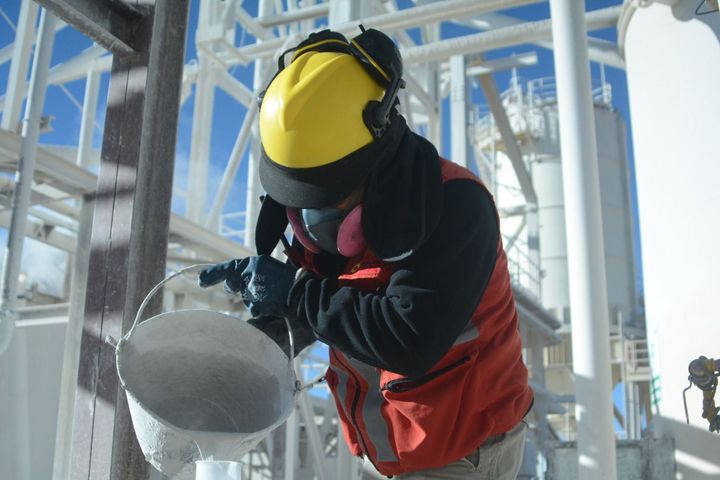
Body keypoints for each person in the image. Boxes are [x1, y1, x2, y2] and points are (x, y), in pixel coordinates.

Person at [199, 27, 533, 480]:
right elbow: (327, 302)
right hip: (389, 450)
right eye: (300, 202)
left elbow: (408, 337)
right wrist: (264, 332)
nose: (312, 223)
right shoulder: (329, 216)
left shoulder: (456, 209)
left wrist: (296, 292)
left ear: (379, 163)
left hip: (463, 449)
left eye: (327, 198)